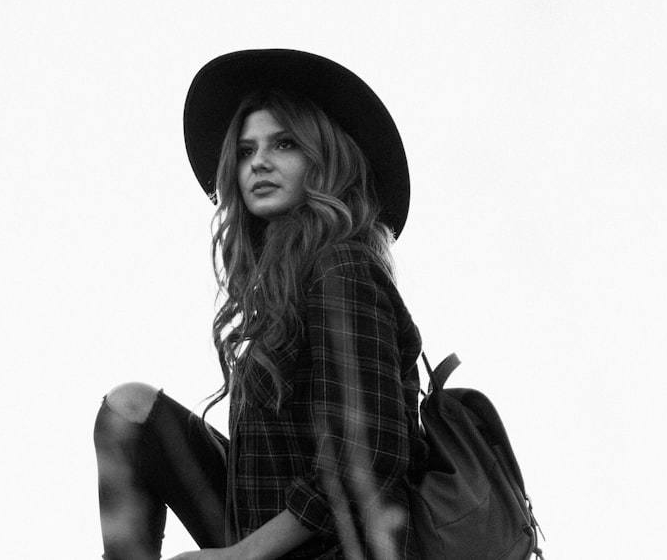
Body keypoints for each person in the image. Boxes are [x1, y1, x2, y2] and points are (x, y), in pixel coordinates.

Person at [93, 49, 425, 560]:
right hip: (270, 537)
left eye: (284, 144)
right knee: (128, 411)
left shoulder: (343, 268)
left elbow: (368, 458)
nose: (259, 163)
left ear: (325, 158)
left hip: (342, 550)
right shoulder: (286, 287)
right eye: (246, 151)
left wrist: (237, 557)